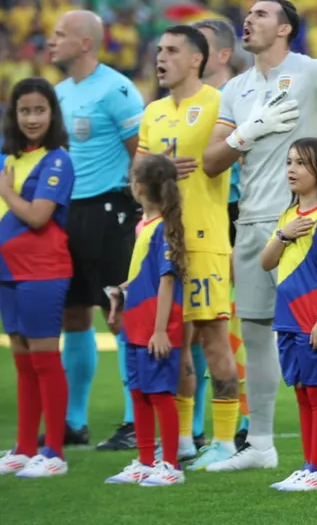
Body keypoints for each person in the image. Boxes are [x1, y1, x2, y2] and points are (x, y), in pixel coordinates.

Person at [202, 0, 317, 472]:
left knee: (315, 335)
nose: (248, 20)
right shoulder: (235, 89)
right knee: (257, 335)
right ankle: (260, 444)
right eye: (248, 14)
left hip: (302, 223)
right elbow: (212, 161)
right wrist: (246, 133)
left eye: (261, 14)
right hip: (251, 224)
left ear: (285, 28)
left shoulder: (314, 71)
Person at [135, 25, 239, 468]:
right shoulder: (153, 111)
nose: (161, 57)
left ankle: (225, 441)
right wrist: (156, 169)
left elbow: (227, 158)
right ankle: (179, 440)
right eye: (159, 50)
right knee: (173, 344)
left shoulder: (220, 103)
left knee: (214, 341)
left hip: (204, 239)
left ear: (197, 59)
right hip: (161, 241)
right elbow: (136, 177)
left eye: (172, 50)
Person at [49, 9, 145, 451]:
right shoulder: (58, 92)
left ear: (85, 43)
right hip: (66, 213)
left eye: (60, 34)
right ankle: (74, 421)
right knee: (73, 313)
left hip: (109, 211)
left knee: (118, 312)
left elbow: (140, 153)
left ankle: (134, 419)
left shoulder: (116, 89)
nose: (51, 41)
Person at [0, 78, 74, 478]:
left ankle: (54, 453)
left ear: (52, 114)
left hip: (42, 270)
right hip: (8, 271)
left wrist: (7, 193)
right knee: (23, 361)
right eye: (24, 111)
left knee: (44, 359)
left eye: (39, 110)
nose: (31, 118)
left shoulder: (57, 160)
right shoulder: (7, 157)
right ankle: (24, 448)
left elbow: (38, 216)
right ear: (13, 115)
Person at [262, 138, 317, 492]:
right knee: (301, 392)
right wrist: (283, 235)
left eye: (301, 163)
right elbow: (266, 261)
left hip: (312, 323)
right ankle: (309, 465)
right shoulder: (288, 217)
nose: (292, 170)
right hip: (287, 321)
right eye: (289, 162)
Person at [104, 155, 188, 487]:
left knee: (160, 394)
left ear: (138, 187)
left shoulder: (163, 229)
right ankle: (145, 461)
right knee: (139, 393)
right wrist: (121, 292)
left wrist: (160, 330)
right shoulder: (145, 226)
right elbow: (145, 275)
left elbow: (167, 281)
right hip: (137, 325)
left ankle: (171, 465)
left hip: (156, 328)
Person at [193, 17, 249, 449]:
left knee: (233, 319)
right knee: (194, 321)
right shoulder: (182, 102)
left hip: (237, 212)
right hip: (196, 214)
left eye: (200, 46)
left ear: (224, 54)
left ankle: (242, 420)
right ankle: (192, 426)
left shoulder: (243, 95)